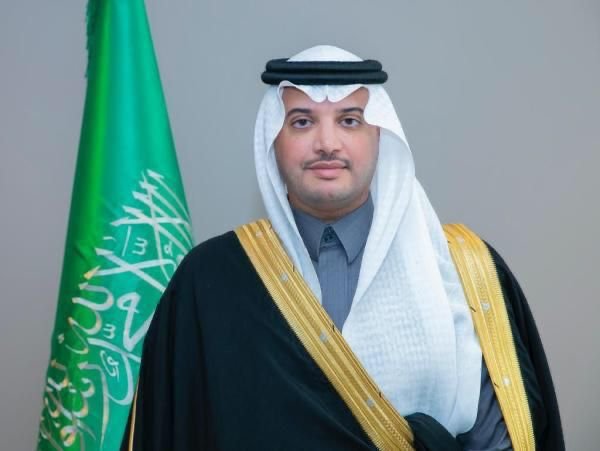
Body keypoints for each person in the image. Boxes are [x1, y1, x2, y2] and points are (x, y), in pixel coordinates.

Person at [121, 45, 564, 450]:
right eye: (302, 122)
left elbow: (498, 437)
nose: (327, 144)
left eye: (350, 120)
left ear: (380, 137)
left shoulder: (460, 269)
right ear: (273, 141)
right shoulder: (211, 281)